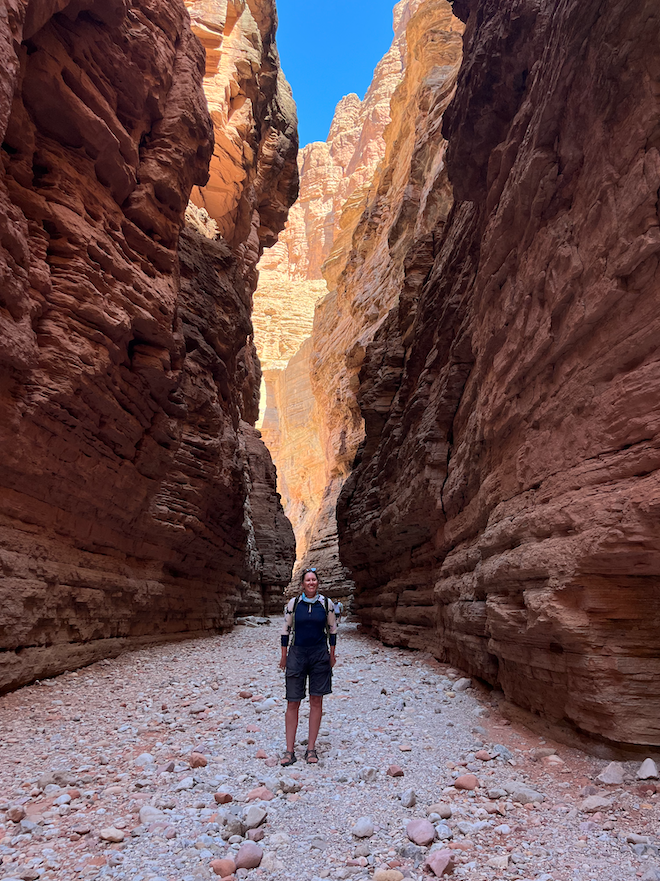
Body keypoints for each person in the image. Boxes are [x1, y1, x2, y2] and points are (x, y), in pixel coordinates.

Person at [279, 568, 337, 765]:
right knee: (292, 701)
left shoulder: (326, 604)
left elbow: (332, 630)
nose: (311, 583)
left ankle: (311, 749)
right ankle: (289, 751)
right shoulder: (294, 604)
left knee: (316, 700)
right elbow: (285, 631)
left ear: (317, 583)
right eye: (308, 580)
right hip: (297, 654)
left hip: (319, 654)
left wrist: (332, 654)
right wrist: (283, 656)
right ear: (302, 584)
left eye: (314, 580)